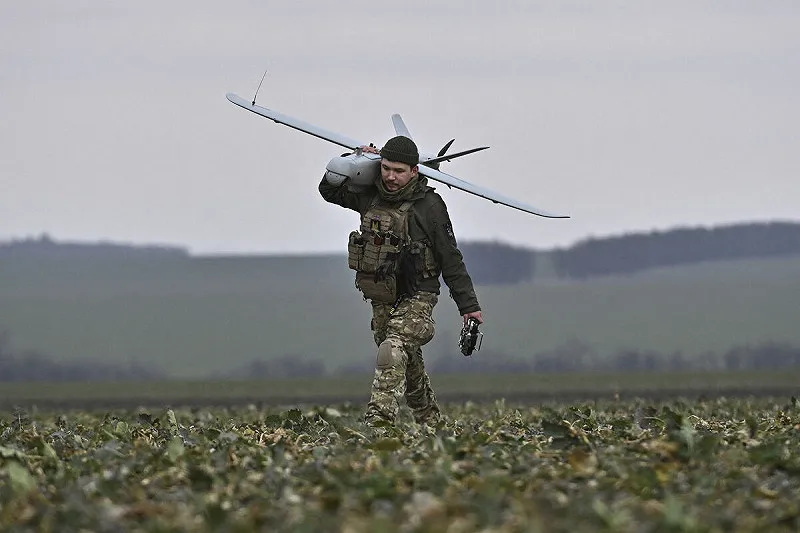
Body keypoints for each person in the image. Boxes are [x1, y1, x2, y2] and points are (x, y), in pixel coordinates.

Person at [319, 135, 483, 427]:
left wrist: (468, 306)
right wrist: (355, 160)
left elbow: (450, 257)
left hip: (420, 293)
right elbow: (329, 191)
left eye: (398, 171)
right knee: (405, 360)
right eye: (385, 168)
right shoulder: (370, 194)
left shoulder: (430, 205)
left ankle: (378, 422)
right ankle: (430, 421)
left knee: (392, 349)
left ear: (414, 171)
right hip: (383, 291)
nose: (391, 177)